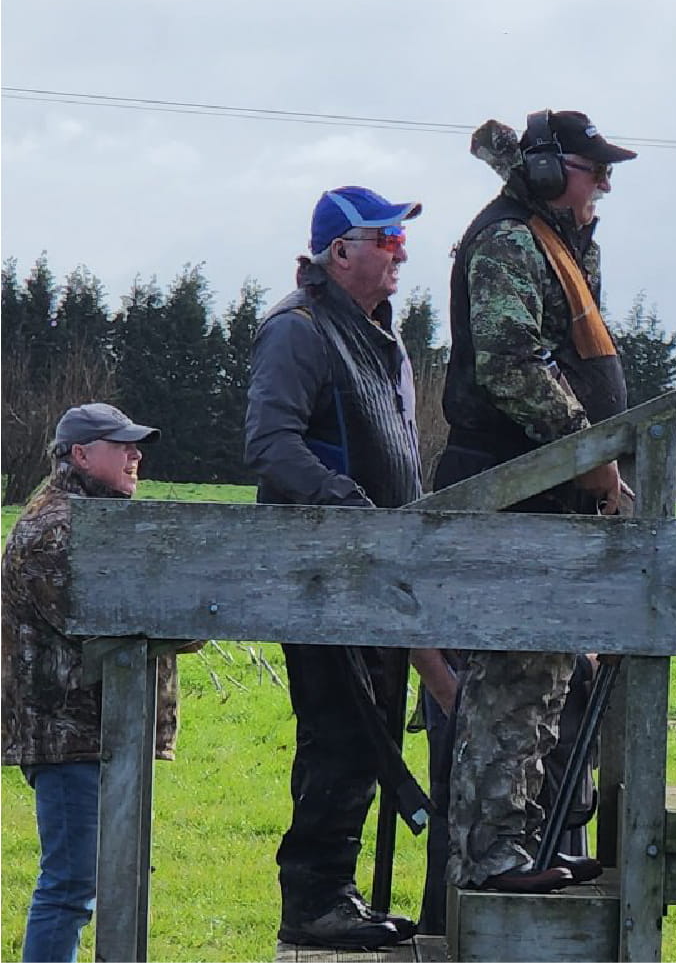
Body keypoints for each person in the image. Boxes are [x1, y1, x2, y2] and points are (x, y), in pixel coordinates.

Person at [438, 109, 635, 895]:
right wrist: (587, 454)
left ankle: (519, 844)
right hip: (514, 488)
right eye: (595, 171)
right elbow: (510, 364)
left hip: (546, 491)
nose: (604, 186)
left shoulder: (551, 241)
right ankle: (491, 856)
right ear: (552, 172)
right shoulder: (510, 241)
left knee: (543, 683)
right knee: (511, 685)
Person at [245, 184, 426, 950]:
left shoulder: (372, 334)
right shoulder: (299, 329)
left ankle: (335, 894)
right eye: (386, 238)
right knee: (340, 732)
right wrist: (345, 503)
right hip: (320, 573)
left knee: (365, 731)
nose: (401, 251)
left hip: (369, 574)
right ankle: (316, 901)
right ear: (340, 252)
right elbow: (270, 444)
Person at [2, 404, 174, 963]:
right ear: (80, 454)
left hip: (97, 734)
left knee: (93, 883)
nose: (135, 455)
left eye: (135, 445)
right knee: (70, 888)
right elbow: (115, 623)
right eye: (121, 445)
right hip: (68, 736)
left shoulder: (91, 520)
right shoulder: (57, 530)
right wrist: (187, 616)